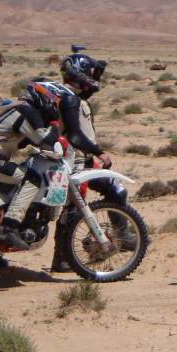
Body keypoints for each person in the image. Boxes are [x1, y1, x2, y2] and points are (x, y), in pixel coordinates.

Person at [0, 81, 65, 253]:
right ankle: (9, 226)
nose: (55, 107)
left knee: (7, 192)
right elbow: (47, 141)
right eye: (55, 102)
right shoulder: (27, 111)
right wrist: (54, 124)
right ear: (45, 97)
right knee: (32, 178)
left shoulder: (17, 108)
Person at [50, 49, 125, 272]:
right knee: (72, 208)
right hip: (75, 161)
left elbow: (89, 91)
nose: (94, 80)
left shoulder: (73, 97)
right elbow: (75, 134)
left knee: (115, 191)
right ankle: (62, 258)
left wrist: (99, 71)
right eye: (91, 74)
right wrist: (100, 152)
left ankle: (124, 237)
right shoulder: (70, 99)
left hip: (85, 159)